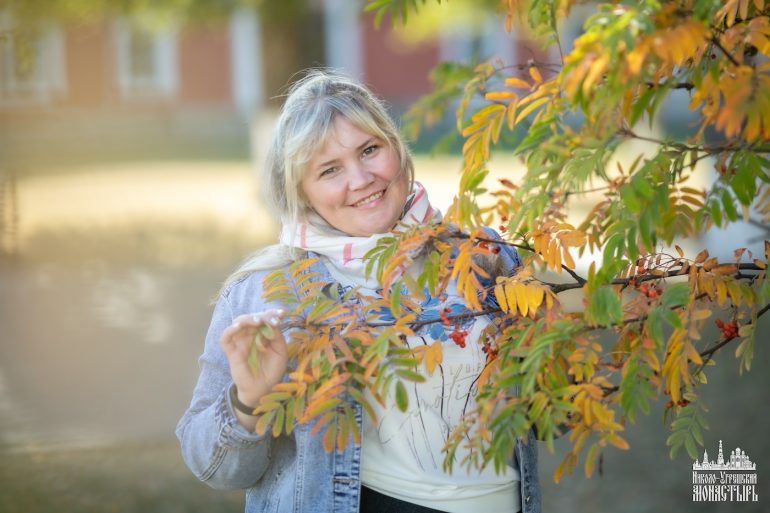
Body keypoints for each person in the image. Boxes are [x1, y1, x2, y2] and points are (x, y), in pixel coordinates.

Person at [176, 69, 540, 513]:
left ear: (396, 148)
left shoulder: (485, 258)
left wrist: (558, 356)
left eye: (370, 150)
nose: (362, 178)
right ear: (302, 194)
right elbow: (216, 468)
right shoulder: (264, 293)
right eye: (330, 170)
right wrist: (249, 402)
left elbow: (550, 418)